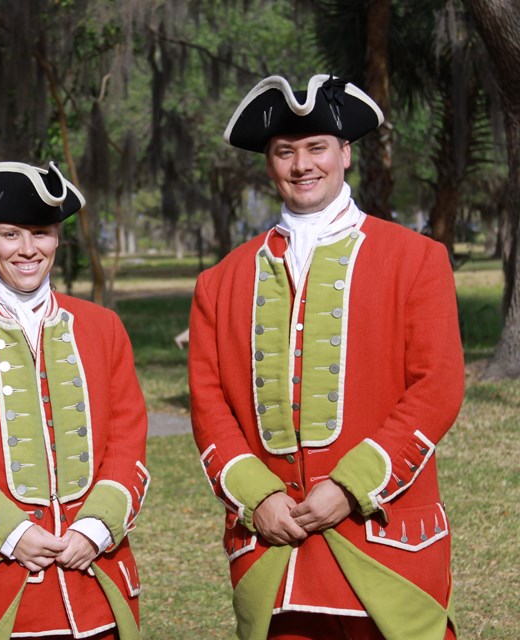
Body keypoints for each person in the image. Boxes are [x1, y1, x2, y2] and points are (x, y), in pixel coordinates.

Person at [188, 75, 463, 640]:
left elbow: (436, 388)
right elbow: (209, 402)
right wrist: (257, 496)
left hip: (381, 537)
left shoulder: (416, 259)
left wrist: (348, 487)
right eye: (284, 152)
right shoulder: (220, 281)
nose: (301, 165)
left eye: (316, 148)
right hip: (271, 546)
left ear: (345, 154)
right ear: (269, 164)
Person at [0, 161, 150, 640]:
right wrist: (15, 535)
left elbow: (128, 438)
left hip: (94, 581)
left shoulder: (103, 327)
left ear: (58, 239)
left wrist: (96, 528)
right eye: (10, 234)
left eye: (40, 233)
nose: (27, 249)